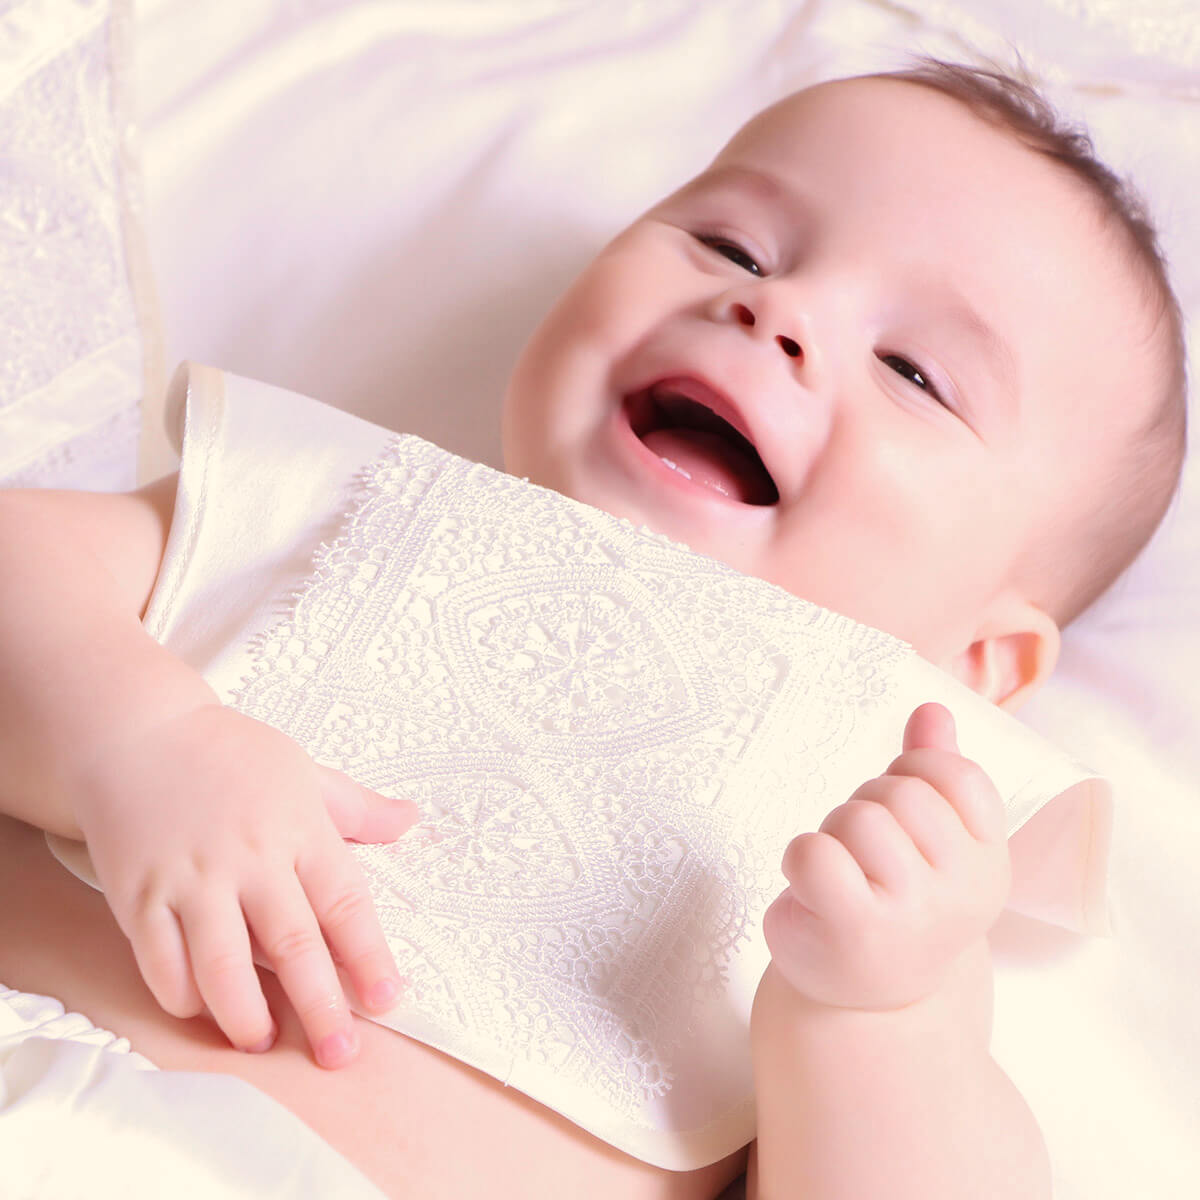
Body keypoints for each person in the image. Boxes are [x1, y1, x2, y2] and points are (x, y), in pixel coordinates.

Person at [0, 58, 1186, 1200]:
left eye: (913, 371)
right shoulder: (363, 498)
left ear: (985, 662)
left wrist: (880, 1020)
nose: (773, 309)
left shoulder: (884, 830)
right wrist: (137, 742)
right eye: (733, 245)